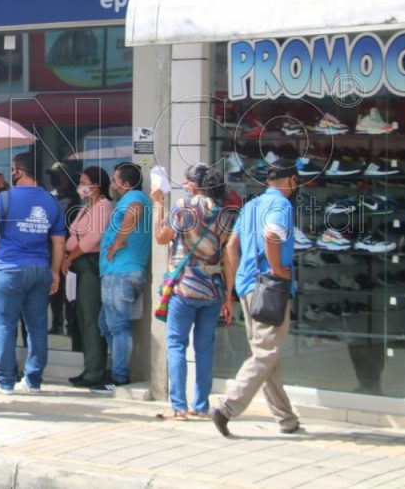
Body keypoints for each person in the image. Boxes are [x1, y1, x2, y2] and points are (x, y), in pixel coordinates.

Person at [210, 159, 301, 436]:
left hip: (248, 286)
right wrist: (276, 268)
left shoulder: (251, 206)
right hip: (270, 287)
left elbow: (231, 246)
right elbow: (271, 235)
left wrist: (237, 282)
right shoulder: (281, 205)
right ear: (292, 180)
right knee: (266, 353)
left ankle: (286, 419)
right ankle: (227, 407)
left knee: (265, 354)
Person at [151, 163, 234, 420]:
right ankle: (201, 406)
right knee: (205, 348)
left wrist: (158, 203)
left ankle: (178, 406)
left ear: (195, 185)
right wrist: (228, 295)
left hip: (184, 287)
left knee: (176, 344)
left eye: (187, 181)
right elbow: (229, 257)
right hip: (213, 288)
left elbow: (162, 237)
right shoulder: (224, 214)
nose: (184, 185)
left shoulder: (184, 207)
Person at [0, 152, 66, 394]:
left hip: (9, 269)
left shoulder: (4, 199)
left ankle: (5, 381)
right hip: (40, 269)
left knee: (4, 326)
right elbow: (58, 242)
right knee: (37, 326)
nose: (11, 174)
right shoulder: (51, 201)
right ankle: (33, 380)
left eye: (13, 169)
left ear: (19, 171)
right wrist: (55, 272)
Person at [94, 162, 151, 392]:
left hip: (122, 272)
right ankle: (117, 370)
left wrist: (117, 242)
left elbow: (134, 211)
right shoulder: (130, 198)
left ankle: (119, 378)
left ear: (125, 184)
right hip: (117, 273)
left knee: (118, 327)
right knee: (106, 324)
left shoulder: (134, 197)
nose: (112, 184)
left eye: (115, 180)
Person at [62, 166, 113, 387]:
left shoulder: (104, 206)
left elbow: (92, 239)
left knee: (91, 317)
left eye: (84, 182)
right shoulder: (86, 207)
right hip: (78, 267)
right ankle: (88, 367)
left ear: (96, 185)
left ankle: (95, 371)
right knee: (82, 318)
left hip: (91, 265)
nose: (80, 186)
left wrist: (69, 257)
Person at [46, 161, 81, 335]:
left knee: (69, 289)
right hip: (50, 249)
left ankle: (71, 324)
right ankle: (57, 323)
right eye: (53, 176)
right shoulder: (49, 197)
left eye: (58, 176)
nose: (55, 180)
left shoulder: (75, 199)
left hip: (69, 250)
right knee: (55, 288)